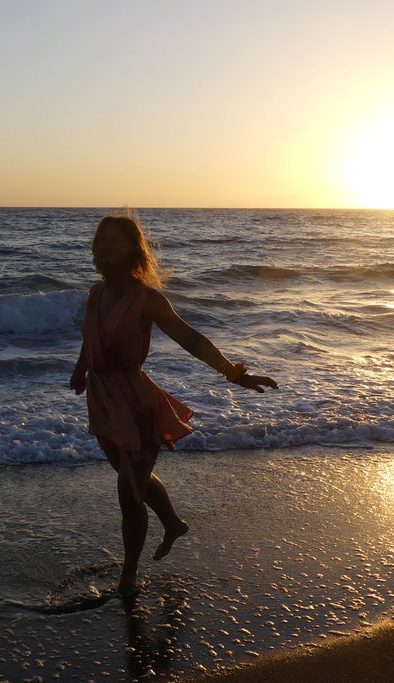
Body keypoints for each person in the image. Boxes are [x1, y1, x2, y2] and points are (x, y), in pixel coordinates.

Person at [70, 211, 278, 595]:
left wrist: (234, 373)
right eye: (102, 240)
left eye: (115, 240)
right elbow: (90, 336)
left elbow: (190, 338)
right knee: (134, 477)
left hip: (134, 402)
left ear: (133, 248)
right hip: (102, 397)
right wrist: (81, 369)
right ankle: (174, 524)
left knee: (129, 490)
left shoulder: (147, 299)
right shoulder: (96, 293)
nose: (105, 246)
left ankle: (128, 577)